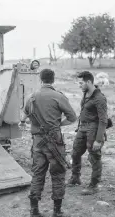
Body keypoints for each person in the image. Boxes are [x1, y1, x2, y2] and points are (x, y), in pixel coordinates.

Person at [20, 68, 77, 217]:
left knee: (38, 174)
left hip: (38, 142)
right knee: (58, 174)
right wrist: (58, 125)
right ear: (53, 80)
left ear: (40, 79)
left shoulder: (32, 97)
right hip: (55, 142)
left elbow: (24, 115)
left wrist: (27, 122)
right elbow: (72, 117)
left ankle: (34, 210)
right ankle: (57, 212)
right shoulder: (58, 96)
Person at [67, 71, 108, 195]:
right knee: (75, 153)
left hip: (93, 130)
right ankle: (75, 178)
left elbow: (103, 120)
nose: (79, 85)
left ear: (89, 82)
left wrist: (99, 139)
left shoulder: (99, 98)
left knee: (94, 157)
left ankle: (94, 185)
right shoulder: (85, 93)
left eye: (81, 83)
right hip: (82, 128)